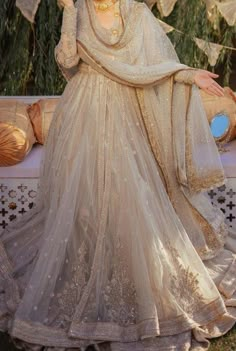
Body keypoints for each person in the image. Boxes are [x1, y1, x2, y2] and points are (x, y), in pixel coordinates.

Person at [0, 0, 235, 350]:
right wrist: (67, 13)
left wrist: (191, 75)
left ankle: (134, 272)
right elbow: (66, 61)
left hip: (127, 114)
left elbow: (156, 66)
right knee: (86, 199)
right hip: (83, 114)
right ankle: (94, 264)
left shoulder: (136, 13)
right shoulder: (78, 10)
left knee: (132, 195)